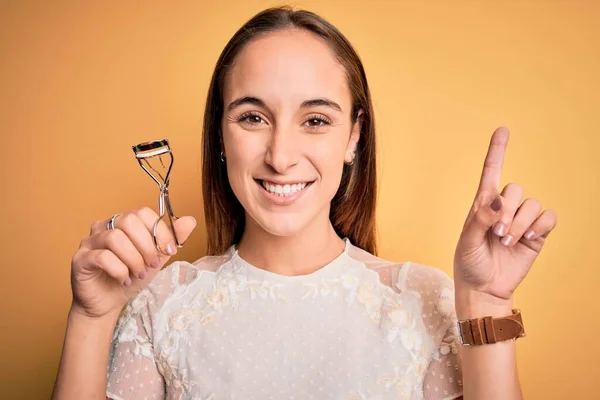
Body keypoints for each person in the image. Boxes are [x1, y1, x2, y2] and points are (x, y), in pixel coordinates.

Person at [51, 6, 557, 400]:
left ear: (354, 137)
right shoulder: (161, 306)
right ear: (221, 136)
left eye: (315, 120)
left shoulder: (424, 302)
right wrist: (91, 319)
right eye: (252, 117)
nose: (281, 156)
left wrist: (486, 306)